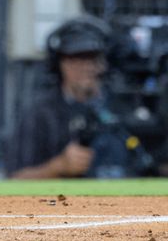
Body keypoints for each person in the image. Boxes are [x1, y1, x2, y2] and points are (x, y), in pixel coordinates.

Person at [6, 18, 115, 178]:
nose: (85, 67)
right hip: (59, 201)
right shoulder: (39, 114)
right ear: (59, 65)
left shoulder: (122, 108)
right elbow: (16, 179)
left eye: (91, 58)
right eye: (75, 59)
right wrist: (58, 166)